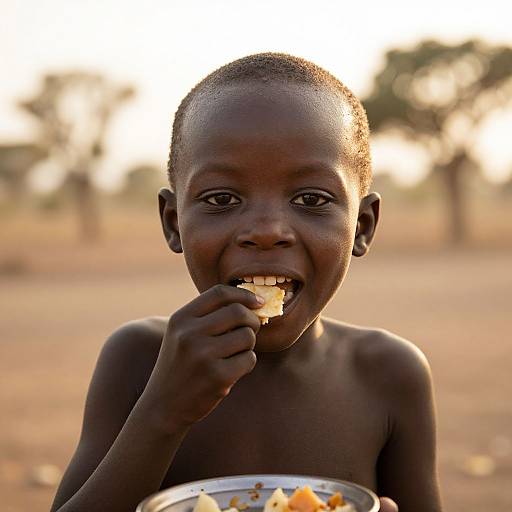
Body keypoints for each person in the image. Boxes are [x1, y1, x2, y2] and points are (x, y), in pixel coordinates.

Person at [50, 53, 441, 512]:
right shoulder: (138, 359)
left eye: (311, 198)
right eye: (221, 198)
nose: (267, 230)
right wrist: (162, 412)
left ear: (362, 226)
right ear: (174, 222)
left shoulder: (390, 374)